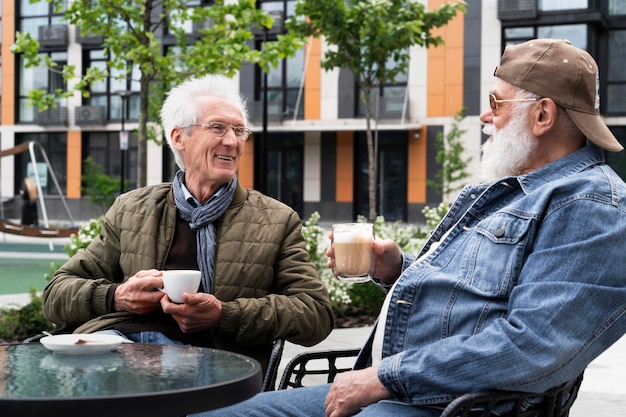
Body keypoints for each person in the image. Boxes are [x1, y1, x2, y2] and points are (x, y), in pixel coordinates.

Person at [194, 39, 626, 417]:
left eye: (496, 102)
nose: (483, 115)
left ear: (542, 115)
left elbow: (531, 345)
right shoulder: (512, 189)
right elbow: (474, 294)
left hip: (459, 406)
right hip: (408, 392)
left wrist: (382, 377)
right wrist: (395, 266)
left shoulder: (591, 205)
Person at [42, 74, 334, 374]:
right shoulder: (131, 209)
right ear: (179, 137)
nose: (232, 142)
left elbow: (316, 314)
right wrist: (117, 297)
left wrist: (223, 315)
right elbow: (55, 294)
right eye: (218, 128)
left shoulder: (276, 220)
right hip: (117, 344)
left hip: (210, 361)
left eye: (239, 130)